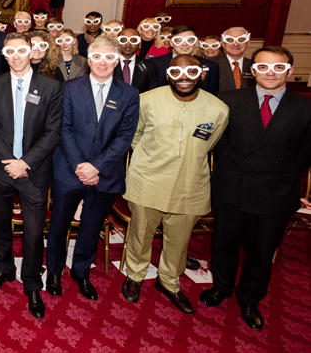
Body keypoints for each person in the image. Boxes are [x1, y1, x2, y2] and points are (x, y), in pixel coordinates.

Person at [200, 47, 311, 330]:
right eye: (263, 67)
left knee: (262, 252)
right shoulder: (230, 100)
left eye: (277, 67)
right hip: (232, 186)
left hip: (275, 191)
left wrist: (280, 176)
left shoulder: (305, 108)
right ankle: (221, 288)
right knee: (224, 244)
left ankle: (250, 299)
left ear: (289, 70)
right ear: (252, 70)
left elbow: (305, 155)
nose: (270, 73)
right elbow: (219, 144)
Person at [121, 54, 229, 315]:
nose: (184, 77)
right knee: (140, 233)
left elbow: (210, 144)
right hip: (148, 180)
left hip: (190, 185)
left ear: (201, 74)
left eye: (191, 71)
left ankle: (168, 280)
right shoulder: (146, 100)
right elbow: (134, 135)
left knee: (179, 240)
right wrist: (150, 158)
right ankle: (135, 275)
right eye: (177, 72)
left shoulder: (218, 109)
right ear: (168, 74)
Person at [45, 37, 139, 302]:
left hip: (106, 173)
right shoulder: (69, 88)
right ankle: (53, 271)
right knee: (59, 225)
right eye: (97, 57)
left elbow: (125, 136)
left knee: (91, 226)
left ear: (117, 60)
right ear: (89, 59)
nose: (103, 63)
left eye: (110, 58)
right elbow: (64, 128)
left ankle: (81, 273)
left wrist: (96, 166)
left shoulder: (130, 94)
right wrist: (80, 166)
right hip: (68, 170)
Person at [0, 33, 62, 318]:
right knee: (0, 224)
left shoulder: (51, 87)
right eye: (10, 51)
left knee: (32, 232)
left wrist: (24, 162)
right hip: (1, 169)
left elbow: (53, 132)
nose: (16, 56)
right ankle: (4, 270)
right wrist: (10, 162)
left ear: (32, 52)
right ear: (4, 55)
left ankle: (31, 284)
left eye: (21, 50)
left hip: (35, 172)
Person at [152, 25, 221, 95]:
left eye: (189, 40)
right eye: (178, 40)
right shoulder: (155, 64)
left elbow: (211, 95)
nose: (184, 44)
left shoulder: (212, 66)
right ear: (171, 43)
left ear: (196, 42)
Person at [114, 28, 160, 93]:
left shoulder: (150, 67)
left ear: (139, 43)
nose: (128, 44)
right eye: (123, 40)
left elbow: (151, 94)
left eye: (133, 40)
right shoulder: (108, 64)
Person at [213, 27, 254, 92]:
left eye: (241, 40)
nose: (235, 44)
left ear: (248, 44)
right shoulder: (212, 64)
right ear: (223, 44)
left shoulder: (254, 65)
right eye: (230, 40)